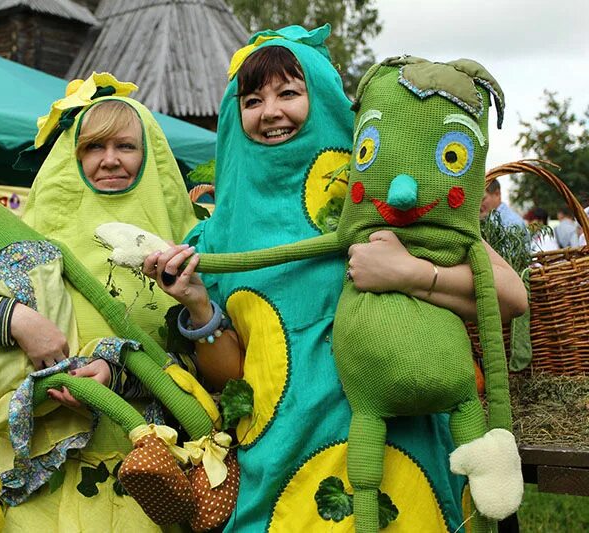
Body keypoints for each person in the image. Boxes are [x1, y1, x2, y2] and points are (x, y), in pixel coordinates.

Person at [145, 27, 527, 532]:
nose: (270, 111)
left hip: (397, 449)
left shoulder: (378, 192)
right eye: (253, 99)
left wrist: (408, 272)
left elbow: (510, 297)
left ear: (322, 97)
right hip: (281, 467)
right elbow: (231, 373)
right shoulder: (215, 236)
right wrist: (197, 304)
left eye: (289, 92)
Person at [0, 79, 201, 532]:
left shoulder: (188, 242)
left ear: (152, 155)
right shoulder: (22, 233)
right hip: (41, 459)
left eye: (126, 145)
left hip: (141, 461)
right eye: (94, 146)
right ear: (73, 153)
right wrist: (17, 320)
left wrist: (118, 374)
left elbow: (202, 360)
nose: (110, 159)